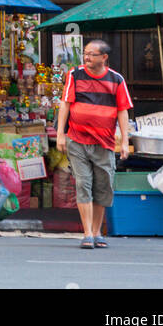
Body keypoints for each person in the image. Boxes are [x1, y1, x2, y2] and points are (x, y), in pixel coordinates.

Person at [56, 38, 132, 249]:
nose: (87, 58)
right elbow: (65, 104)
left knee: (103, 186)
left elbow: (122, 111)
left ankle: (97, 232)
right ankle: (87, 233)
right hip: (77, 139)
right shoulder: (74, 74)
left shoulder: (116, 79)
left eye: (92, 54)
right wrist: (61, 134)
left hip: (105, 142)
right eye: (85, 54)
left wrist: (125, 140)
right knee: (83, 183)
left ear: (104, 57)